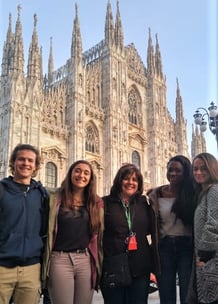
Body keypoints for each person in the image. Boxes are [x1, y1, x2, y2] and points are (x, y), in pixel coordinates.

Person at [43, 160, 104, 304]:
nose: (81, 175)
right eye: (77, 170)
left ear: (90, 178)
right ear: (70, 173)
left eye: (86, 173)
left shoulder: (96, 203)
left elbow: (98, 235)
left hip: (85, 259)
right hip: (60, 259)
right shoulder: (54, 198)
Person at [101, 163, 157, 304]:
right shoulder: (105, 203)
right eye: (126, 178)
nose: (130, 182)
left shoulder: (144, 203)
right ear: (119, 180)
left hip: (140, 266)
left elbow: (155, 228)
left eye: (134, 180)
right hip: (113, 266)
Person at [0, 144, 49, 304]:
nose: (26, 164)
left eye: (30, 160)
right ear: (13, 162)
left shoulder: (42, 194)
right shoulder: (2, 189)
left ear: (35, 166)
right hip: (2, 266)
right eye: (21, 159)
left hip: (31, 267)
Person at [147, 155, 196, 304]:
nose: (173, 173)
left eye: (178, 171)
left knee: (187, 295)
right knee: (166, 294)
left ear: (185, 173)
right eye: (170, 170)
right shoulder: (156, 194)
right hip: (165, 247)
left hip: (186, 247)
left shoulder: (192, 194)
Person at [187, 152, 218, 304]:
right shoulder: (203, 193)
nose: (198, 172)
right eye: (195, 169)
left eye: (203, 168)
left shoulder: (214, 191)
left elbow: (214, 224)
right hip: (208, 260)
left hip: (211, 260)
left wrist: (204, 255)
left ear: (212, 169)